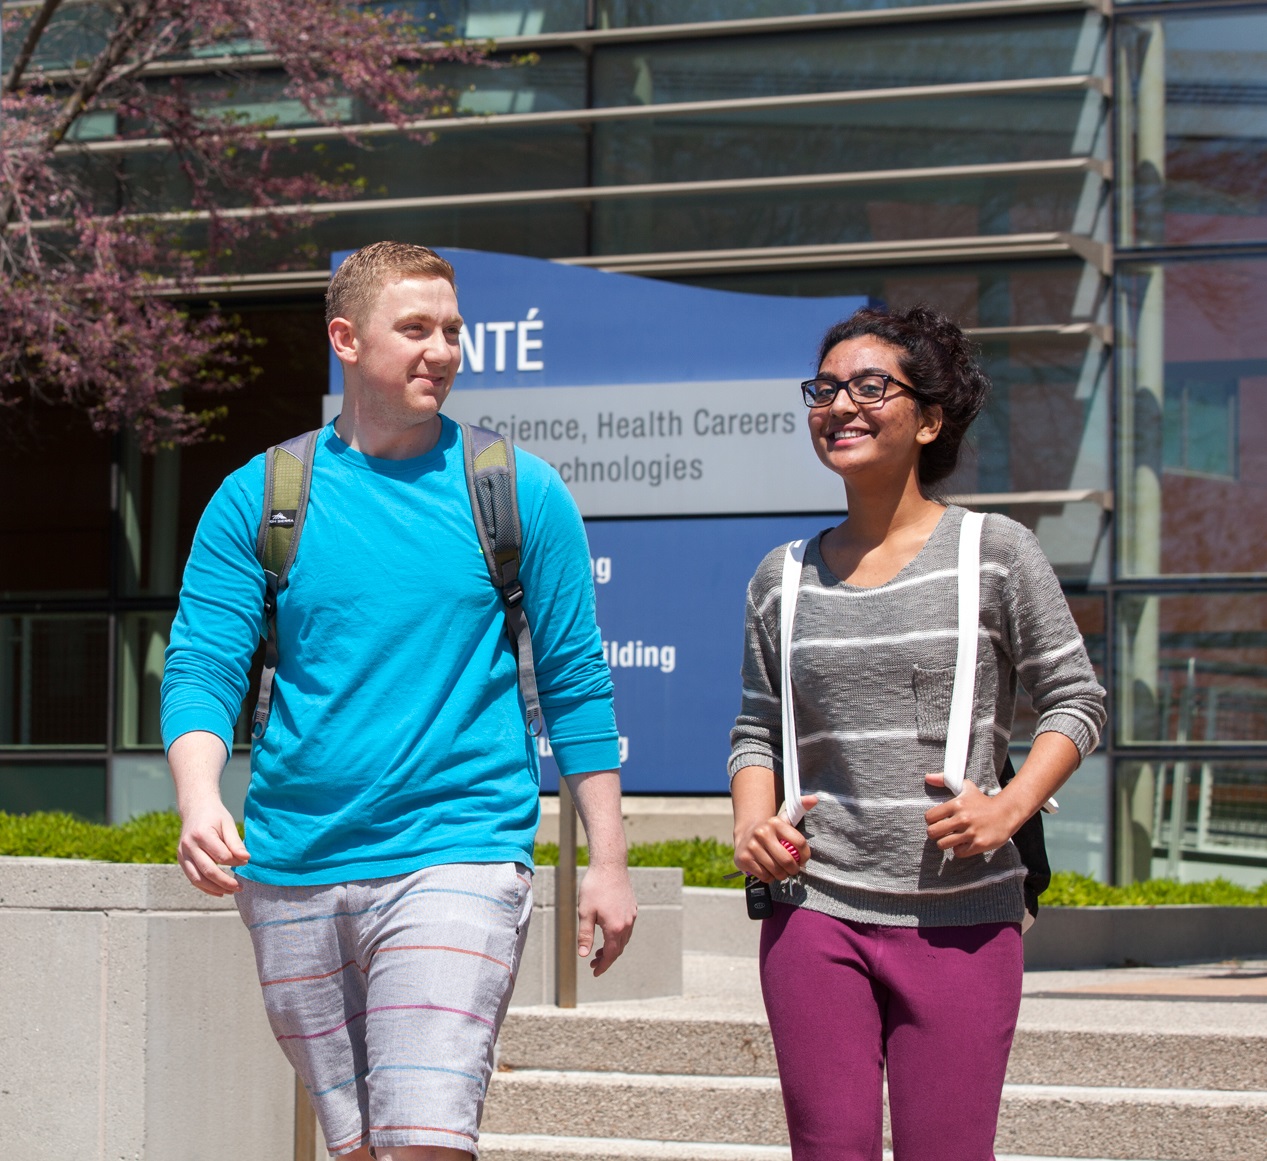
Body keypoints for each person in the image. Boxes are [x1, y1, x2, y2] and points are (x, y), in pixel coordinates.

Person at [161, 241, 637, 1161]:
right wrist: (196, 795)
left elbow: (576, 682)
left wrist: (608, 860)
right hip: (294, 863)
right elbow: (204, 664)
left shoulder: (517, 491)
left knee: (424, 1137)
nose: (443, 350)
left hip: (457, 849)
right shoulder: (260, 496)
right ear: (345, 338)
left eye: (453, 330)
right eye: (415, 328)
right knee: (362, 1146)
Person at [729, 305, 1106, 1161]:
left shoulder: (995, 553)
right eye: (824, 388)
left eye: (871, 386)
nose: (840, 405)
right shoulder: (779, 577)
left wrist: (1008, 809)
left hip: (961, 917)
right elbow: (756, 727)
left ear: (929, 419)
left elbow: (1076, 701)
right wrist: (753, 824)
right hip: (812, 909)